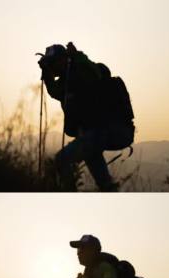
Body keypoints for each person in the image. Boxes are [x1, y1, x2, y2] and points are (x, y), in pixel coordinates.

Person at [38, 43, 132, 192]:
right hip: (97, 133)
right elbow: (56, 91)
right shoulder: (66, 81)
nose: (52, 67)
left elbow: (93, 73)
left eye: (52, 63)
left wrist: (76, 55)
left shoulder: (81, 71)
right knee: (104, 182)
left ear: (63, 60)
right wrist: (48, 75)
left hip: (108, 130)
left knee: (61, 161)